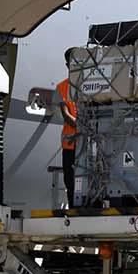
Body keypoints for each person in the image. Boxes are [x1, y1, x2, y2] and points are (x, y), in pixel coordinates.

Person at [56, 55, 79, 206]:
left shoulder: (89, 84)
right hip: (70, 144)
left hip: (86, 143)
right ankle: (72, 206)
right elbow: (65, 113)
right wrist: (82, 126)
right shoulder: (62, 86)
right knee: (69, 179)